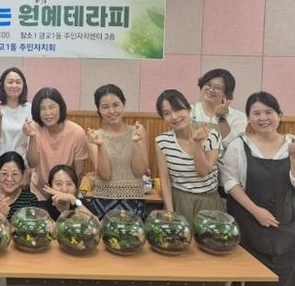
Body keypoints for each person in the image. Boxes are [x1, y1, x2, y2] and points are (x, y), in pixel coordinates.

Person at [221, 92, 295, 286]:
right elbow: (230, 183)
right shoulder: (239, 145)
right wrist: (256, 211)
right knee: (250, 281)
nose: (263, 118)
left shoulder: (293, 144)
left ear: (279, 115)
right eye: (256, 113)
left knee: (285, 281)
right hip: (249, 222)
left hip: (287, 226)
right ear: (249, 118)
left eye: (269, 112)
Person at [154, 89, 224, 223]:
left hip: (208, 201)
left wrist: (197, 143)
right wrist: (170, 212)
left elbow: (202, 171)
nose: (174, 117)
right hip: (179, 201)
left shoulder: (211, 135)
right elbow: (165, 179)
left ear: (188, 109)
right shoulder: (162, 141)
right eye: (167, 113)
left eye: (178, 109)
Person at [86, 84, 149, 219]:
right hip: (103, 201)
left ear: (124, 104)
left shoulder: (138, 132)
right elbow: (105, 175)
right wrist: (101, 146)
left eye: (116, 105)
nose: (112, 111)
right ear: (98, 110)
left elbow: (140, 172)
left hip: (134, 200)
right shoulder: (94, 137)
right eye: (105, 107)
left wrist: (135, 142)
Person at [23, 87, 88, 201]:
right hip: (39, 190)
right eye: (42, 108)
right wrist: (32, 137)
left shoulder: (77, 132)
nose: (48, 113)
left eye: (52, 107)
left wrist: (71, 195)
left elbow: (79, 172)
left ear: (60, 107)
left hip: (65, 191)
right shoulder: (34, 128)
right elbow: (32, 163)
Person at [0, 67, 32, 188]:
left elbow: (34, 143)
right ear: (2, 85)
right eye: (10, 82)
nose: (14, 85)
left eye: (18, 82)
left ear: (23, 85)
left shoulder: (30, 108)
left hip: (20, 171)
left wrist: (29, 170)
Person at [191, 69, 247, 150]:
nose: (211, 90)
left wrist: (221, 118)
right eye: (208, 85)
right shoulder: (189, 111)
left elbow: (235, 148)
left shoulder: (238, 117)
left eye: (218, 88)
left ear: (226, 94)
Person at [0, 151, 38, 220]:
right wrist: (0, 216)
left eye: (15, 174)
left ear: (22, 175)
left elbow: (31, 225)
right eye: (4, 173)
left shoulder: (30, 200)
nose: (9, 179)